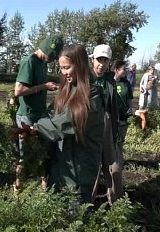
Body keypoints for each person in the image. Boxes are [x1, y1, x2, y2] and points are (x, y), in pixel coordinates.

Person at [30, 44, 105, 204]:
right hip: (61, 167)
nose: (64, 72)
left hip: (79, 170)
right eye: (61, 68)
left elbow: (62, 125)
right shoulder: (68, 89)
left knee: (76, 213)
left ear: (80, 65)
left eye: (67, 68)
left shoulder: (92, 97)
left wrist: (37, 127)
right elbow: (51, 113)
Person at [14, 35, 63, 189]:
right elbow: (19, 90)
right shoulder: (29, 61)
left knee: (43, 152)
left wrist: (49, 86)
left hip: (39, 114)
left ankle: (44, 189)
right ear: (44, 48)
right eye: (51, 55)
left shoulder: (42, 63)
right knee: (25, 154)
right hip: (27, 116)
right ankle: (17, 188)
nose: (52, 59)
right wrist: (44, 87)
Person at [90, 44, 126, 204]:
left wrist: (130, 112)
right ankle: (87, 204)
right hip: (90, 126)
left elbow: (116, 103)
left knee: (113, 168)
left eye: (105, 61)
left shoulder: (109, 80)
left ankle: (116, 205)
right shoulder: (85, 78)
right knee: (92, 168)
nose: (101, 64)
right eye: (99, 60)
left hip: (108, 126)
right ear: (93, 60)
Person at [112, 60, 133, 158]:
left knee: (119, 143)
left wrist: (131, 110)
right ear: (116, 70)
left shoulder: (126, 83)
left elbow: (129, 98)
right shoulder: (109, 82)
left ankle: (118, 162)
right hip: (111, 119)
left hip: (123, 119)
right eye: (124, 69)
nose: (126, 71)